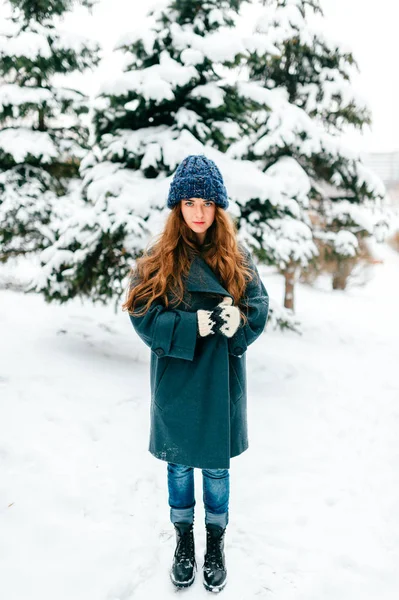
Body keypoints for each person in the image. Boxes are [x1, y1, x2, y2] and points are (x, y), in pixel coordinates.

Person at [122, 154, 269, 592]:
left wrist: (237, 323)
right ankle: (185, 539)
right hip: (178, 381)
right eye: (189, 202)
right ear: (178, 207)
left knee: (218, 470)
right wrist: (192, 325)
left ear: (218, 207)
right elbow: (141, 314)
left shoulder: (236, 256)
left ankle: (216, 540)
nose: (199, 212)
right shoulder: (158, 256)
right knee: (180, 467)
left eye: (207, 203)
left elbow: (259, 308)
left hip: (221, 383)